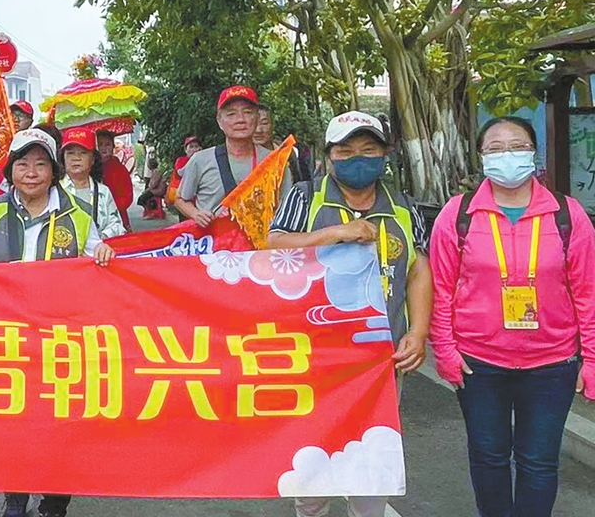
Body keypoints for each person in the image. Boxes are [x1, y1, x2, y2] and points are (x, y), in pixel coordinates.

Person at [268, 111, 431, 517]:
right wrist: (333, 234)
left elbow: (418, 270)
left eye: (368, 149)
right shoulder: (306, 196)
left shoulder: (404, 208)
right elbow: (272, 247)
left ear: (385, 155)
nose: (358, 158)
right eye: (346, 150)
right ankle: (311, 508)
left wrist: (419, 332)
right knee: (311, 456)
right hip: (312, 356)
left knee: (373, 450)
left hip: (380, 357)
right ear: (329, 157)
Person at [430, 116, 595, 517]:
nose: (507, 155)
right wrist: (445, 352)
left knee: (539, 463)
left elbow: (587, 292)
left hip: (552, 364)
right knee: (488, 459)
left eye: (517, 146)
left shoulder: (567, 215)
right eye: (496, 147)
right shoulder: (458, 215)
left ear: (533, 153)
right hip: (479, 364)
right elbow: (440, 290)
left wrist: (590, 358)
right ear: (482, 156)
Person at [0, 129, 114, 517]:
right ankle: (15, 496)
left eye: (41, 163)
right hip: (6, 340)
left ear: (53, 171)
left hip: (60, 340)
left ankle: (55, 500)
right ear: (10, 171)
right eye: (22, 163)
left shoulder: (77, 216)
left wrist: (106, 251)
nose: (31, 172)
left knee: (60, 425)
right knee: (12, 423)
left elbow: (100, 258)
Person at [176, 86, 290, 226]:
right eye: (231, 114)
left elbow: (287, 209)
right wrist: (196, 214)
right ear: (219, 121)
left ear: (257, 117)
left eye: (247, 112)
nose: (240, 120)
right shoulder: (200, 160)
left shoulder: (275, 162)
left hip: (260, 246)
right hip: (215, 245)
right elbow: (180, 199)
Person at [59, 127, 126, 239]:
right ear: (63, 158)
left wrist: (101, 238)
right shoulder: (54, 190)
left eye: (83, 153)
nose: (76, 158)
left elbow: (117, 225)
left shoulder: (103, 191)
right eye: (70, 153)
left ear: (93, 159)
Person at [96, 130, 134, 230]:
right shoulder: (89, 168)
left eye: (107, 144)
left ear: (113, 147)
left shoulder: (120, 169)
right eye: (100, 144)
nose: (104, 148)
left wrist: (110, 207)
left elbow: (127, 196)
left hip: (118, 217)